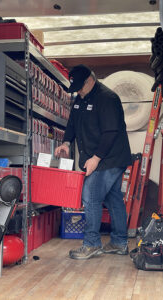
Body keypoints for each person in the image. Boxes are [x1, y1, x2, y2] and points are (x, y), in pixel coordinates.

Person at [55, 65, 132, 260]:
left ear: (91, 80)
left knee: (90, 196)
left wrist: (96, 158)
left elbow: (110, 132)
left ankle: (91, 244)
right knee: (113, 198)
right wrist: (66, 142)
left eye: (81, 87)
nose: (78, 92)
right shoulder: (80, 99)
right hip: (99, 158)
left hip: (110, 157)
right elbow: (72, 122)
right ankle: (119, 242)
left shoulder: (107, 98)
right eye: (76, 89)